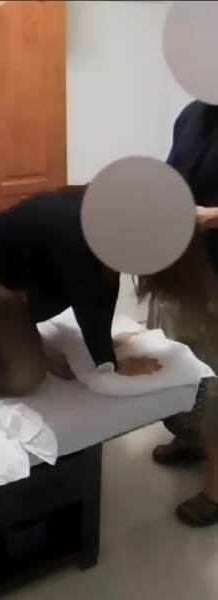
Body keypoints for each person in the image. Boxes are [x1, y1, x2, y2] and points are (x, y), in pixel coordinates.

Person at [0, 184, 193, 417]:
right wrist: (111, 364)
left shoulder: (107, 229)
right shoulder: (76, 229)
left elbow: (103, 289)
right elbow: (90, 302)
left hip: (0, 285)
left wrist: (108, 350)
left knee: (27, 377)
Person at [145, 99, 218, 527]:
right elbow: (173, 179)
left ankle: (216, 488)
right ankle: (192, 439)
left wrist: (212, 216)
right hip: (191, 268)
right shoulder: (193, 113)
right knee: (187, 363)